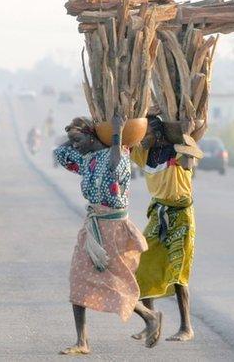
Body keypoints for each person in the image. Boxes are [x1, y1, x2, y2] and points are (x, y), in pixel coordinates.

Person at [54, 115, 162, 355]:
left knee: (115, 280)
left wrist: (115, 132)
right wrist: (74, 133)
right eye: (73, 141)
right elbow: (60, 154)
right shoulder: (87, 159)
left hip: (113, 228)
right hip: (93, 227)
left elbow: (115, 161)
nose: (75, 145)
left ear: (93, 136)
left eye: (78, 140)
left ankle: (150, 316)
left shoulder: (119, 154)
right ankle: (82, 341)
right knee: (78, 278)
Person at [130, 116, 198, 342]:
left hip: (181, 215)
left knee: (178, 271)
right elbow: (123, 143)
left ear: (158, 134)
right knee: (143, 265)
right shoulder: (145, 154)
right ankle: (151, 319)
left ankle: (186, 327)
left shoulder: (175, 152)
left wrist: (186, 136)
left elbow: (191, 161)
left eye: (145, 134)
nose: (141, 139)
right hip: (158, 215)